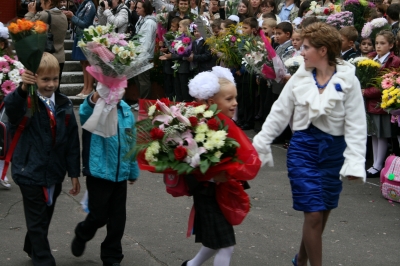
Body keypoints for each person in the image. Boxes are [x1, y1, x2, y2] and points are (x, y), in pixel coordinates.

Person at [252, 22, 367, 266]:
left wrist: (355, 161)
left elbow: (357, 124)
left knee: (322, 211)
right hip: (304, 149)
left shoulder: (349, 80)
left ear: (323, 50)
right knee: (313, 213)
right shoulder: (298, 80)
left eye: (305, 47)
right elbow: (278, 114)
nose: (300, 52)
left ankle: (301, 258)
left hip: (334, 152)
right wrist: (260, 144)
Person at [4, 52, 81, 266]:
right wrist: (21, 89)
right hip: (29, 169)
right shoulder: (25, 102)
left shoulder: (64, 103)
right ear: (33, 78)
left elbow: (72, 141)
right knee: (37, 218)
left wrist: (74, 172)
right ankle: (43, 259)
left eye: (55, 78)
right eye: (45, 79)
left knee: (45, 214)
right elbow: (11, 108)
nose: (51, 84)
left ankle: (31, 245)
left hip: (54, 171)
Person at [181, 66, 260, 266]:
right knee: (225, 245)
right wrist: (211, 176)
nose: (235, 103)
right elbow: (186, 164)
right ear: (210, 102)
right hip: (207, 193)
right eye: (229, 99)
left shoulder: (223, 123)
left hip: (219, 191)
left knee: (218, 241)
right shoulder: (199, 126)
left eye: (235, 98)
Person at [71, 89, 139, 266]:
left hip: (120, 175)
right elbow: (85, 112)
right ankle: (83, 233)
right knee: (99, 216)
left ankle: (112, 255)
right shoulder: (96, 107)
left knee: (118, 220)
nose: (118, 92)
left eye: (122, 87)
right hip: (99, 173)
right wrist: (97, 95)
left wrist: (132, 169)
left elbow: (131, 142)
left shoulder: (126, 110)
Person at [364, 30, 400, 177]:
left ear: (391, 45)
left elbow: (388, 83)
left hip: (383, 102)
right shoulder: (371, 58)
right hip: (371, 102)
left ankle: (378, 164)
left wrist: (365, 92)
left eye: (382, 43)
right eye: (377, 43)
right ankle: (375, 164)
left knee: (382, 134)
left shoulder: (394, 61)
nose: (378, 46)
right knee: (374, 134)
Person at [25, 0, 68, 93]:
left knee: (43, 91)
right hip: (59, 57)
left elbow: (25, 28)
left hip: (45, 59)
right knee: (55, 90)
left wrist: (30, 13)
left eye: (41, 2)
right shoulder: (63, 15)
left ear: (48, 2)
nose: (40, 5)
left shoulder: (44, 15)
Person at [63, 0, 97, 97]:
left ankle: (89, 88)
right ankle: (85, 87)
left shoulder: (90, 5)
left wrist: (72, 17)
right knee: (83, 62)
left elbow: (85, 24)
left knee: (87, 62)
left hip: (86, 36)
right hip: (80, 35)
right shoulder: (84, 4)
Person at [131, 0, 157, 111]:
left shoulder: (150, 22)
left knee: (143, 81)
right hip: (138, 54)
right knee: (138, 79)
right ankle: (141, 101)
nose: (136, 10)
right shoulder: (142, 19)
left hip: (144, 55)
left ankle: (145, 103)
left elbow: (146, 42)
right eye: (136, 7)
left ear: (145, 9)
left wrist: (141, 56)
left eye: (139, 8)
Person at [159, 19, 192, 102]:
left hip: (184, 67)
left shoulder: (188, 39)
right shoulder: (180, 37)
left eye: (180, 27)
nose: (178, 29)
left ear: (186, 28)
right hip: (177, 67)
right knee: (178, 90)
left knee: (184, 90)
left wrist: (171, 56)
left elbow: (184, 53)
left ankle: (186, 105)